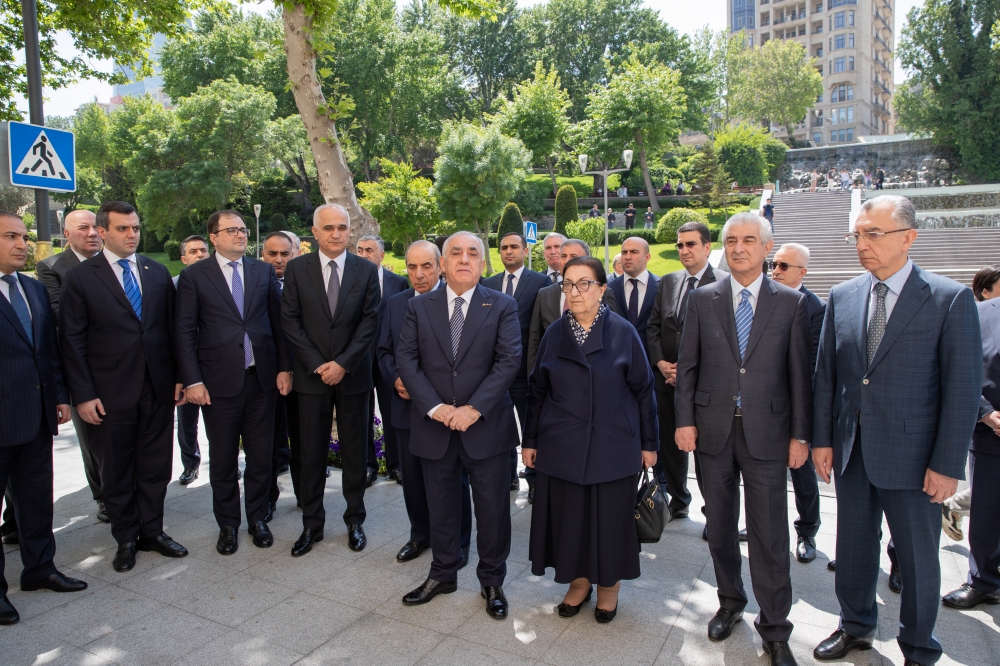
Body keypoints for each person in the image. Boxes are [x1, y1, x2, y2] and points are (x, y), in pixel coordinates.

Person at [811, 195, 981, 665]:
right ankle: (855, 626)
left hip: (915, 459)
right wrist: (823, 439)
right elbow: (827, 377)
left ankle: (920, 647)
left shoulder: (949, 298)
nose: (862, 244)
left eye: (873, 234)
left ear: (909, 238)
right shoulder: (843, 295)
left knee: (917, 559)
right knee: (852, 548)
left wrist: (947, 465)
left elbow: (963, 390)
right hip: (852, 452)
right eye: (857, 235)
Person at [675, 212, 813, 666]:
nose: (738, 248)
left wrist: (800, 435)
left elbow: (800, 377)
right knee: (718, 527)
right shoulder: (703, 299)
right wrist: (684, 421)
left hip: (768, 434)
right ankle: (730, 602)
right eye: (731, 240)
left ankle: (774, 628)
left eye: (749, 240)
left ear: (766, 248)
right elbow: (688, 367)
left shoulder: (791, 303)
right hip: (712, 430)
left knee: (769, 535)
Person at [524, 255, 657, 624]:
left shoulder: (623, 333)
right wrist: (530, 440)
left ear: (601, 289)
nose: (575, 291)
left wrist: (649, 444)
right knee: (571, 520)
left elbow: (644, 391)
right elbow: (537, 391)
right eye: (568, 284)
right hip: (561, 446)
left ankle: (609, 586)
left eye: (584, 283)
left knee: (609, 521)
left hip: (612, 445)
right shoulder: (555, 334)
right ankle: (578, 582)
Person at [396, 231, 521, 620]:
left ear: (483, 263)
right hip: (434, 428)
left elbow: (509, 360)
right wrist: (435, 408)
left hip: (486, 429)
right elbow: (406, 359)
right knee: (441, 507)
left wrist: (473, 409)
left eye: (472, 253)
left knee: (492, 510)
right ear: (443, 263)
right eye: (455, 253)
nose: (464, 259)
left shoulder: (502, 305)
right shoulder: (419, 307)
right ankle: (443, 574)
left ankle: (492, 581)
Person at [60, 201, 188, 572]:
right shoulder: (81, 278)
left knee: (155, 466)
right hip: (108, 393)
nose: (132, 234)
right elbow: (71, 341)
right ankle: (126, 538)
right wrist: (83, 395)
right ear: (102, 231)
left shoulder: (156, 271)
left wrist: (179, 376)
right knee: (116, 470)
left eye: (135, 228)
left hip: (157, 388)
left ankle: (152, 531)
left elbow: (171, 329)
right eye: (122, 228)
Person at [175, 211, 292, 554]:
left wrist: (284, 368)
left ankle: (257, 518)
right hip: (217, 384)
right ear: (213, 237)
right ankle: (228, 524)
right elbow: (184, 332)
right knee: (224, 459)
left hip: (261, 381)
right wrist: (192, 380)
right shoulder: (194, 276)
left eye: (242, 230)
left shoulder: (261, 270)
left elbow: (278, 322)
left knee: (261, 456)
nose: (241, 235)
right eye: (232, 230)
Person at [0, 210, 87, 626]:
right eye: (10, 237)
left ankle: (39, 569)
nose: (22, 244)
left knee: (36, 501)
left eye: (23, 236)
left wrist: (59, 396)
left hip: (35, 418)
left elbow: (48, 349)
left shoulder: (32, 289)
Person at [281, 203, 380, 556]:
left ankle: (355, 520)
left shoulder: (365, 270)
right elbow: (290, 320)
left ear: (349, 231)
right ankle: (312, 524)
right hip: (311, 378)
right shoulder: (297, 269)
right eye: (329, 228)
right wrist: (318, 364)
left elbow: (370, 321)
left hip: (353, 376)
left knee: (355, 452)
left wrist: (343, 364)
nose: (336, 234)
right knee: (310, 453)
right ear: (315, 232)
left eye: (342, 227)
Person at [377, 241, 473, 565]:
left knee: (452, 480)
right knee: (414, 481)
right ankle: (420, 535)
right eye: (412, 267)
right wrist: (395, 379)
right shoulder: (395, 304)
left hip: (446, 410)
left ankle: (458, 542)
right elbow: (384, 351)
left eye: (426, 266)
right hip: (407, 409)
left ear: (441, 266)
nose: (418, 274)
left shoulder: (457, 302)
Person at [647, 221, 726, 522]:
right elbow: (654, 326)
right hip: (667, 382)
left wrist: (690, 371)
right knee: (671, 447)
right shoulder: (668, 281)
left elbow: (726, 339)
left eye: (690, 244)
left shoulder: (725, 282)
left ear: (707, 247)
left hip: (705, 387)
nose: (684, 250)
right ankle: (679, 501)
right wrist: (660, 363)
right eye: (679, 245)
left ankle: (715, 514)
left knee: (706, 453)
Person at [32, 209, 107, 523]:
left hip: (120, 365)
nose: (91, 233)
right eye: (83, 228)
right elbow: (61, 314)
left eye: (95, 227)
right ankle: (103, 496)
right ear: (66, 234)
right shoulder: (51, 267)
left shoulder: (115, 262)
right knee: (91, 436)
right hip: (80, 367)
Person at [939, 264, 1000, 610]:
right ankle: (984, 581)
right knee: (987, 512)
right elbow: (958, 368)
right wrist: (986, 413)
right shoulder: (980, 314)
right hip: (992, 435)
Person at [768, 243, 825, 563]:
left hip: (796, 405)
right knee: (763, 470)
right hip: (762, 402)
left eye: (783, 266)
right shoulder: (762, 298)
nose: (775, 270)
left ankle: (807, 530)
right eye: (773, 264)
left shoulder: (815, 308)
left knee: (801, 472)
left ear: (802, 272)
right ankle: (763, 523)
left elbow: (811, 363)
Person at [482, 232, 549, 490]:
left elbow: (541, 326)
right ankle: (508, 476)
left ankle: (534, 481)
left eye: (514, 247)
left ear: (525, 250)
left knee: (529, 424)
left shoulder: (541, 282)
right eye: (504, 248)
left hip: (524, 371)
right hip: (493, 371)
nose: (508, 251)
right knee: (500, 426)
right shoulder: (488, 283)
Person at [357, 235, 408, 486]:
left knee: (391, 413)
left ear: (381, 255)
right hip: (359, 360)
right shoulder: (349, 282)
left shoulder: (398, 283)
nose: (364, 254)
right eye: (359, 250)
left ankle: (396, 464)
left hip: (389, 359)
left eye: (369, 250)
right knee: (362, 415)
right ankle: (368, 464)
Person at [261, 231, 302, 506]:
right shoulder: (253, 282)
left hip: (302, 373)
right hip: (266, 375)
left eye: (284, 254)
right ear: (263, 255)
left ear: (295, 254)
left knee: (302, 439)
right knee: (267, 442)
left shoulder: (306, 281)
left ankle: (305, 496)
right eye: (272, 254)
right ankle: (268, 500)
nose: (278, 259)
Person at [173, 235, 210, 487]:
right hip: (186, 368)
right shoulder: (173, 286)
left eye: (203, 250)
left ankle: (226, 464)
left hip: (215, 366)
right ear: (184, 258)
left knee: (220, 423)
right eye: (193, 251)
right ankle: (190, 464)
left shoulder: (222, 282)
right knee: (187, 421)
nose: (199, 255)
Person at [608, 237, 660, 360]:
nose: (627, 257)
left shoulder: (662, 287)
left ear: (647, 257)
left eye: (634, 252)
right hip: (617, 360)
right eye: (624, 252)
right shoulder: (609, 288)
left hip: (652, 362)